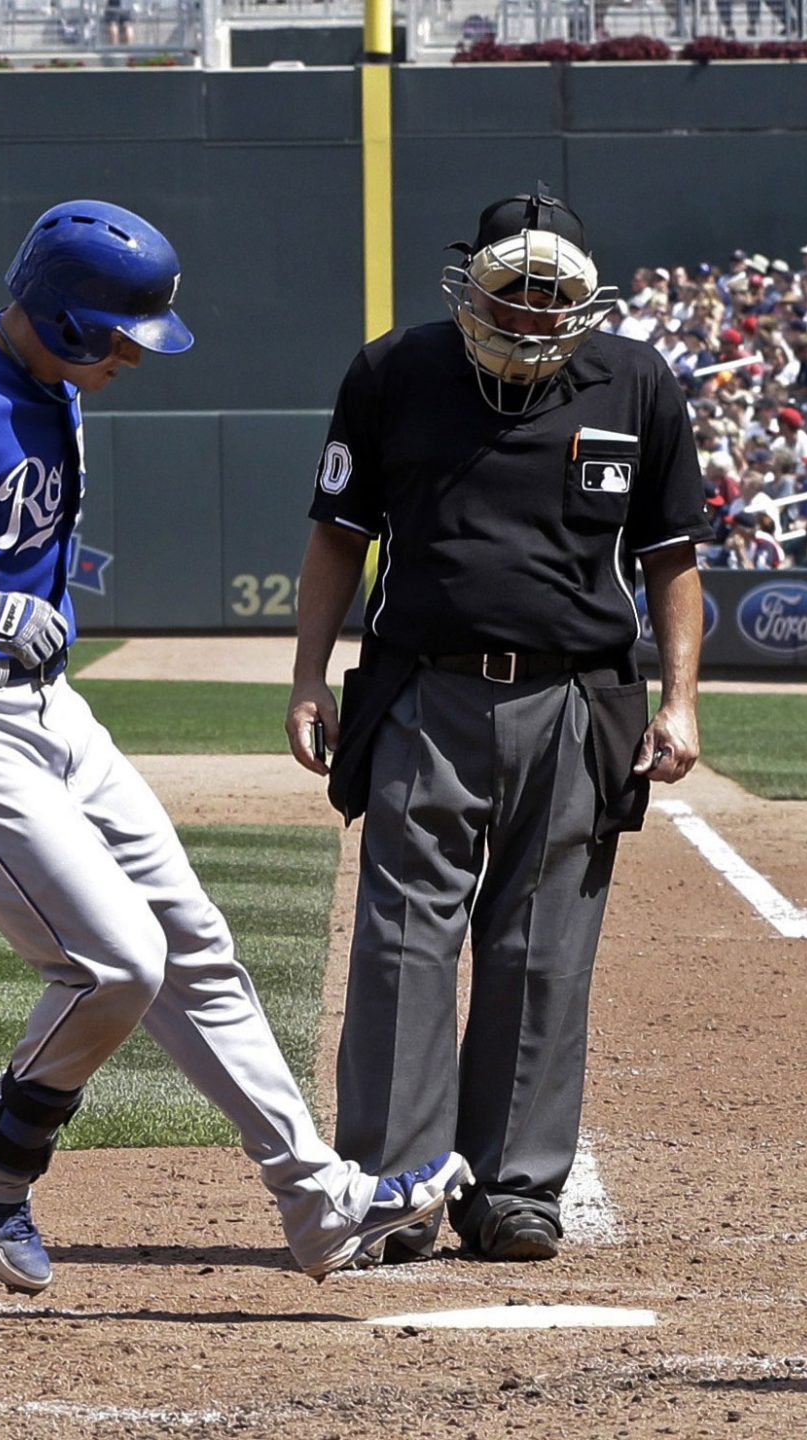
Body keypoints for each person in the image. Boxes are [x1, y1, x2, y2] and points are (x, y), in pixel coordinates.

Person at [0, 200, 468, 1296]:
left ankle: (319, 1200)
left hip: (52, 710)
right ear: (64, 317)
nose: (136, 359)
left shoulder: (48, 379)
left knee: (194, 944)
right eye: (123, 337)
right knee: (114, 963)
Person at [287, 187, 708, 1266]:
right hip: (424, 691)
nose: (528, 310)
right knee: (398, 946)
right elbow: (338, 537)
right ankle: (392, 1187)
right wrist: (308, 678)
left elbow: (671, 559)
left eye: (549, 293)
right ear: (471, 279)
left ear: (583, 294)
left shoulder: (638, 381)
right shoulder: (394, 373)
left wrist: (681, 700)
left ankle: (515, 1191)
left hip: (578, 704)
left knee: (543, 952)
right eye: (509, 288)